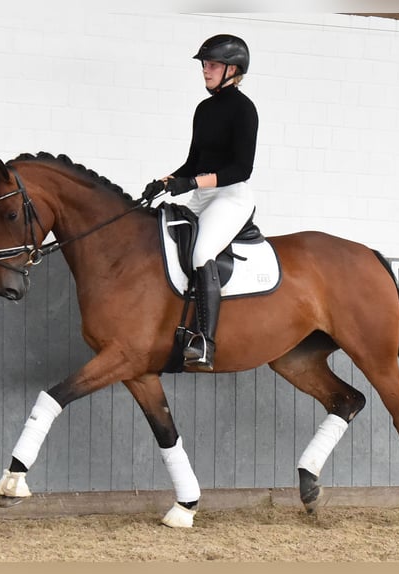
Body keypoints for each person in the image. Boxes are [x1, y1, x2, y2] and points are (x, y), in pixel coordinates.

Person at [143, 34, 259, 372]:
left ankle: (205, 342)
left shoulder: (244, 110)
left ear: (232, 69)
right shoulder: (204, 110)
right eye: (204, 65)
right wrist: (163, 182)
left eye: (211, 65)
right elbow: (193, 162)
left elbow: (241, 169)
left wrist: (191, 183)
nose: (205, 71)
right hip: (203, 195)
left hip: (231, 196)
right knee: (159, 234)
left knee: (201, 252)